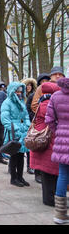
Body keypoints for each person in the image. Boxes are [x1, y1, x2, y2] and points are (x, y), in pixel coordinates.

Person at [30, 82, 60, 206]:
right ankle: (49, 199)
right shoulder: (49, 104)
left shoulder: (42, 102)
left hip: (42, 140)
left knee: (46, 172)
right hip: (48, 140)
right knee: (50, 172)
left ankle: (48, 197)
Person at [46, 77, 69, 224]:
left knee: (63, 175)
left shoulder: (55, 96)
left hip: (62, 140)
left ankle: (60, 215)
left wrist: (59, 130)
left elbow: (49, 120)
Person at [1, 82, 31, 187]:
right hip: (13, 132)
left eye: (20, 91)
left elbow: (26, 115)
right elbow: (5, 119)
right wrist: (15, 128)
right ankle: (13, 178)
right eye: (17, 91)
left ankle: (20, 176)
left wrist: (27, 125)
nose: (19, 93)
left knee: (21, 154)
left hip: (22, 131)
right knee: (14, 155)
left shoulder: (22, 101)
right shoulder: (7, 102)